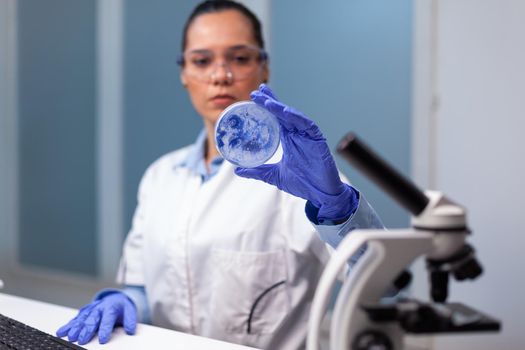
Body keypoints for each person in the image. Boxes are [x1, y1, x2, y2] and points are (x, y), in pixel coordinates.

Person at [56, 1, 384, 349]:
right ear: (183, 73)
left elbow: (384, 285)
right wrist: (126, 302)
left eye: (240, 58)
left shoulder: (302, 179)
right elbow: (145, 289)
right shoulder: (160, 177)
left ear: (264, 68)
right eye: (201, 61)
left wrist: (335, 206)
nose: (220, 75)